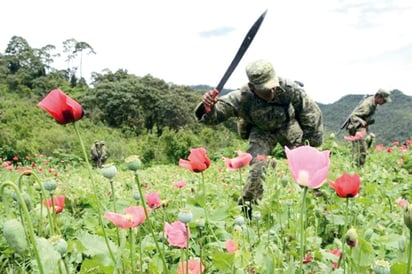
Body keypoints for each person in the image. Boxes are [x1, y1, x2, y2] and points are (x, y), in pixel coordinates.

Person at [194, 59, 323, 215]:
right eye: (265, 90)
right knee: (256, 170)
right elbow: (214, 116)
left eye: (272, 87)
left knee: (306, 165)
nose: (271, 93)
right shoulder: (241, 97)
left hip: (287, 126)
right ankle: (249, 211)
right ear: (252, 87)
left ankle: (319, 205)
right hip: (261, 132)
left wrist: (309, 145)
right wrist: (208, 108)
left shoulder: (289, 88)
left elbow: (311, 113)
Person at [345, 89, 391, 167]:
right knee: (361, 149)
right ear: (379, 97)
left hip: (361, 127)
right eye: (384, 100)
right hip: (356, 128)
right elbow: (353, 116)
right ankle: (358, 167)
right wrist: (361, 121)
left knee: (359, 149)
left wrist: (366, 125)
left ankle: (357, 166)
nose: (384, 103)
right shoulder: (367, 104)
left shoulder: (375, 103)